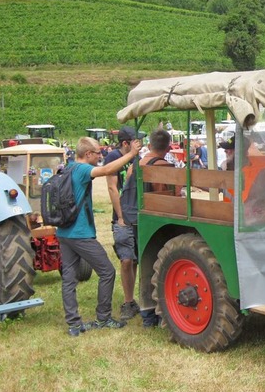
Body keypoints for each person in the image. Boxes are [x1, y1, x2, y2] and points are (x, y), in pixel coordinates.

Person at [59, 136, 141, 336]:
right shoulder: (82, 169)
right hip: (80, 234)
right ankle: (103, 317)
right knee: (107, 272)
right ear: (88, 154)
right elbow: (106, 170)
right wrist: (131, 154)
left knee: (69, 278)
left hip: (64, 232)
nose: (100, 155)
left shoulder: (67, 168)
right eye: (97, 153)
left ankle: (74, 323)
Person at [125, 130, 177, 328]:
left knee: (146, 263)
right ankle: (163, 311)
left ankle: (147, 314)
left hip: (139, 219)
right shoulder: (164, 166)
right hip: (160, 222)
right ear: (168, 146)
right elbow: (173, 197)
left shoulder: (135, 166)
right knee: (164, 267)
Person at [104, 126, 141, 321]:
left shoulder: (137, 158)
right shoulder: (112, 158)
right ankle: (128, 302)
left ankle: (138, 300)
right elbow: (112, 188)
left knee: (136, 259)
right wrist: (120, 216)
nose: (139, 144)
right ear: (126, 143)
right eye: (135, 141)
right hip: (123, 218)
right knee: (126, 260)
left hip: (138, 216)